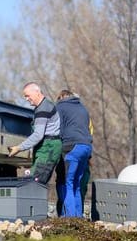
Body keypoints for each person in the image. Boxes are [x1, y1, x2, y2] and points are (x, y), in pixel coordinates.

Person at [8, 82, 62, 184]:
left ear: (37, 92)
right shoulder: (43, 106)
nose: (26, 99)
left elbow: (38, 135)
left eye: (27, 95)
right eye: (25, 97)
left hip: (48, 149)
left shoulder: (43, 109)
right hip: (46, 148)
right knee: (35, 182)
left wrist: (18, 148)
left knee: (34, 183)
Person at [55, 89, 93, 217]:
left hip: (71, 147)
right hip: (86, 148)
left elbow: (57, 129)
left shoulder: (60, 106)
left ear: (61, 98)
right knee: (76, 184)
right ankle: (78, 217)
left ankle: (70, 219)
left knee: (67, 183)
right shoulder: (83, 108)